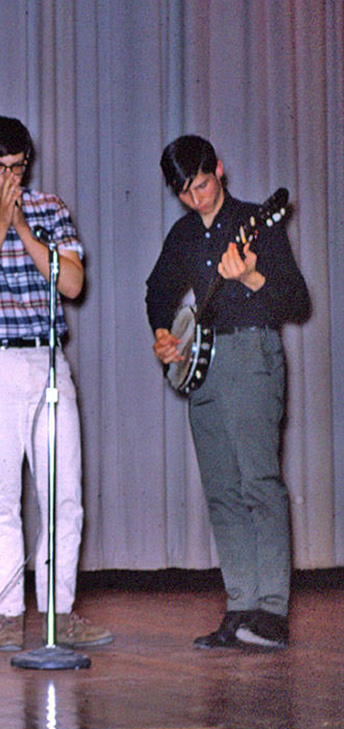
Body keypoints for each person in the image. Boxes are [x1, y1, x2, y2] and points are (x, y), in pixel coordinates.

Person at [0, 116, 113, 651]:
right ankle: (8, 613)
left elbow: (73, 283)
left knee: (64, 494)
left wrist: (23, 227)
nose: (8, 176)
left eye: (16, 166)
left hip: (46, 361)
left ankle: (60, 610)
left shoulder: (50, 208)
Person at [146, 135, 310, 650]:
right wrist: (163, 336)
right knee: (221, 490)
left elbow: (298, 302)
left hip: (251, 356)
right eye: (186, 193)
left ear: (219, 169)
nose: (198, 199)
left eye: (203, 184)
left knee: (258, 481)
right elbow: (157, 292)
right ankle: (240, 605)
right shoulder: (183, 236)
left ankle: (272, 611)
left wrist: (254, 275)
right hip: (204, 363)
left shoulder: (257, 223)